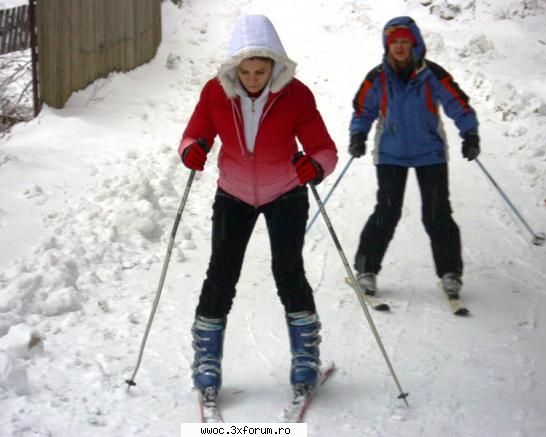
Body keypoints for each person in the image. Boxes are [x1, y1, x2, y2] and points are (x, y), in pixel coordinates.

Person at [178, 15, 338, 401]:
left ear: (274, 65)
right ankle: (207, 358)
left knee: (287, 269)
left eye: (260, 70)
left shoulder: (296, 94)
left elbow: (324, 148)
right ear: (235, 67)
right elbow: (192, 134)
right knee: (221, 271)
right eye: (246, 71)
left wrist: (314, 166)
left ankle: (305, 354)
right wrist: (192, 150)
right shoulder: (216, 93)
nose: (252, 78)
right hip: (233, 193)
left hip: (285, 192)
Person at [348, 16, 480, 298]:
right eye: (393, 41)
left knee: (437, 213)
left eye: (404, 41)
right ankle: (365, 270)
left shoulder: (432, 74)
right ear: (387, 44)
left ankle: (450, 273)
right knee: (387, 212)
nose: (399, 46)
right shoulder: (378, 77)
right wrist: (358, 135)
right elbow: (363, 109)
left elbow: (458, 103)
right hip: (391, 154)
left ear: (414, 43)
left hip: (429, 153)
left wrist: (470, 134)